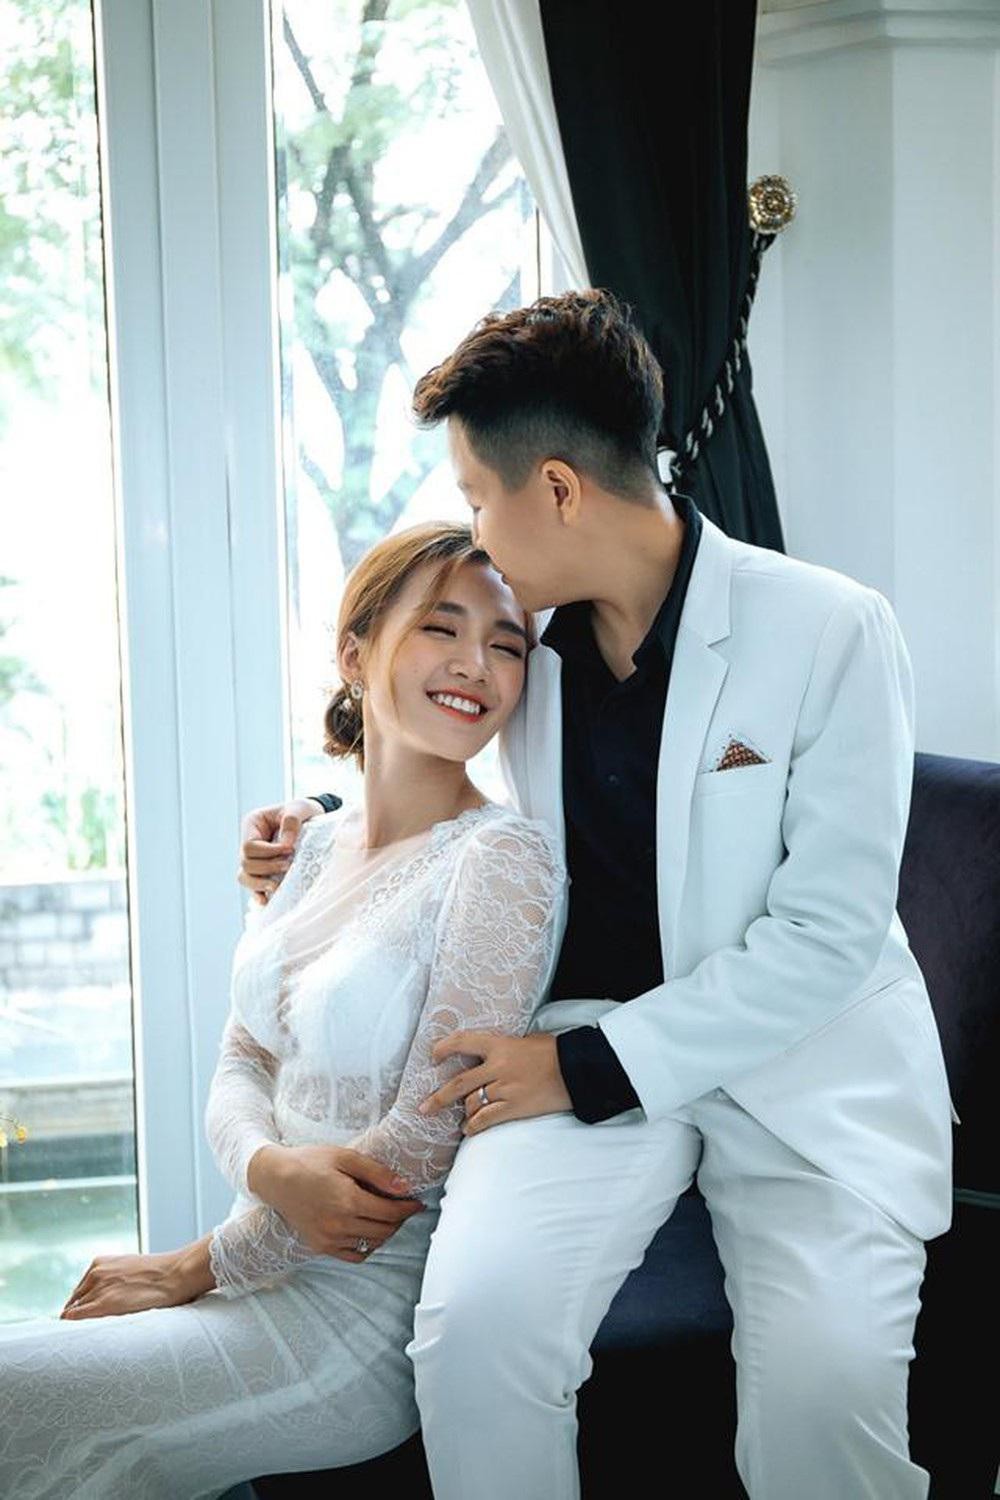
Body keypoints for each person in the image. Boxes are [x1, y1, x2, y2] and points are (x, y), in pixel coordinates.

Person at [245, 289, 956, 1499]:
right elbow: (452, 774)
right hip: (577, 1052)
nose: (476, 530)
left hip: (799, 1065)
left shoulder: (829, 627)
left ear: (558, 489)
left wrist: (585, 1069)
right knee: (472, 1340)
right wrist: (320, 826)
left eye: (478, 497)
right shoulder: (530, 647)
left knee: (821, 1414)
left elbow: (827, 936)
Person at [0, 522, 565, 1499]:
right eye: (441, 628)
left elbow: (420, 1141)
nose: (476, 664)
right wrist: (264, 1170)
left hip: (349, 1322)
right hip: (246, 1271)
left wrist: (192, 1267)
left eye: (506, 644)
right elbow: (242, 1059)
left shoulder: (502, 858)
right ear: (355, 653)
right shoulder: (308, 847)